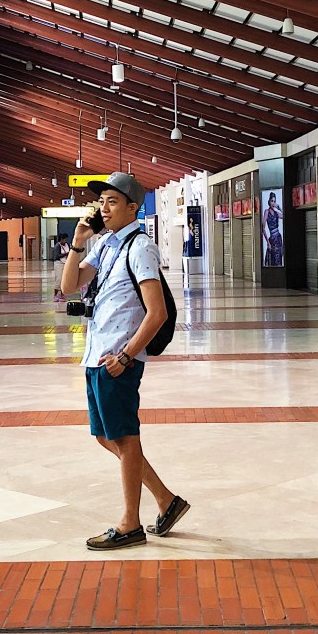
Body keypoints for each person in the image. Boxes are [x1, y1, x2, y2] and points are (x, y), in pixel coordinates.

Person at [60, 171, 189, 551]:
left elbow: (157, 312)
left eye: (113, 202)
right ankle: (166, 500)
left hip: (119, 359)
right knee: (106, 435)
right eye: (102, 201)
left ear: (133, 208)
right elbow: (69, 286)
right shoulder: (106, 245)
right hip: (96, 355)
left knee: (125, 438)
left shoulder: (140, 247)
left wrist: (127, 355)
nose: (104, 208)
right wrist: (78, 244)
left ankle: (130, 523)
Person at [262, 191, 283, 266]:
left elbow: (284, 216)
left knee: (279, 259)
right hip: (272, 240)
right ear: (269, 201)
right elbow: (263, 228)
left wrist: (279, 207)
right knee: (272, 259)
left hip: (278, 238)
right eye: (272, 201)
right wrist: (268, 242)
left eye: (274, 201)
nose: (273, 203)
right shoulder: (266, 212)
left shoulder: (276, 212)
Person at [51, 233, 69, 301]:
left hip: (65, 263)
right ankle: (55, 295)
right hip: (58, 263)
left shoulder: (67, 245)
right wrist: (65, 254)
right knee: (59, 279)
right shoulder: (57, 246)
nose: (65, 240)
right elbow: (56, 256)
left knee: (64, 279)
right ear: (61, 239)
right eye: (64, 239)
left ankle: (62, 295)